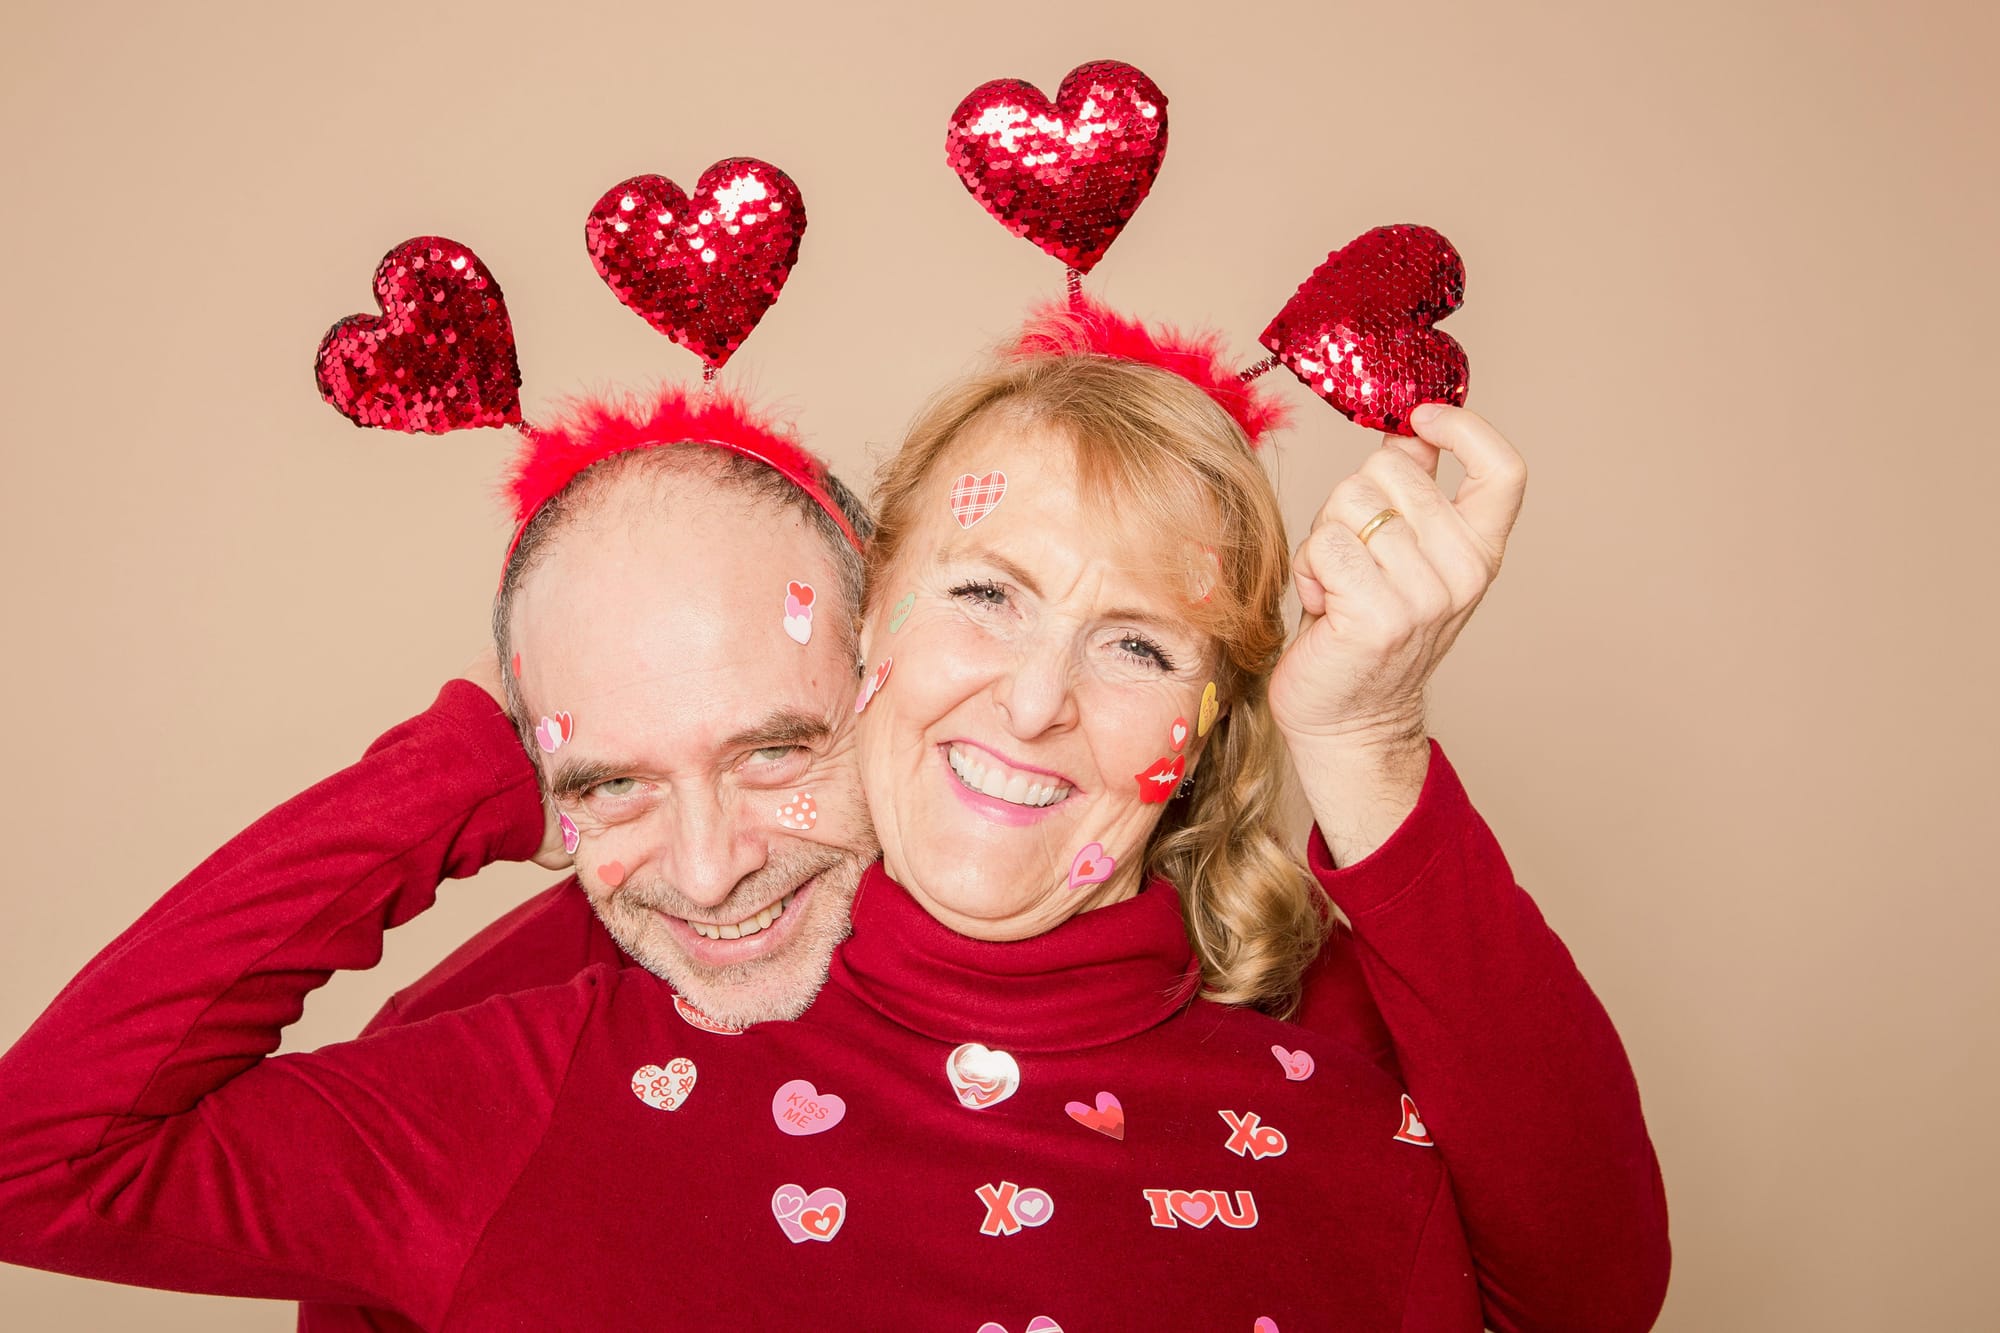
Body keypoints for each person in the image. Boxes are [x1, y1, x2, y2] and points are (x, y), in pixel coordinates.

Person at [0, 311, 1667, 1330]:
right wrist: (507, 754)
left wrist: (1371, 749)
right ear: (861, 628)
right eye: (988, 594)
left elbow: (1593, 1300)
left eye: (1140, 643)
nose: (1032, 701)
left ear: (1207, 717)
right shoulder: (570, 1060)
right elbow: (40, 1162)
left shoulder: (1344, 1052)